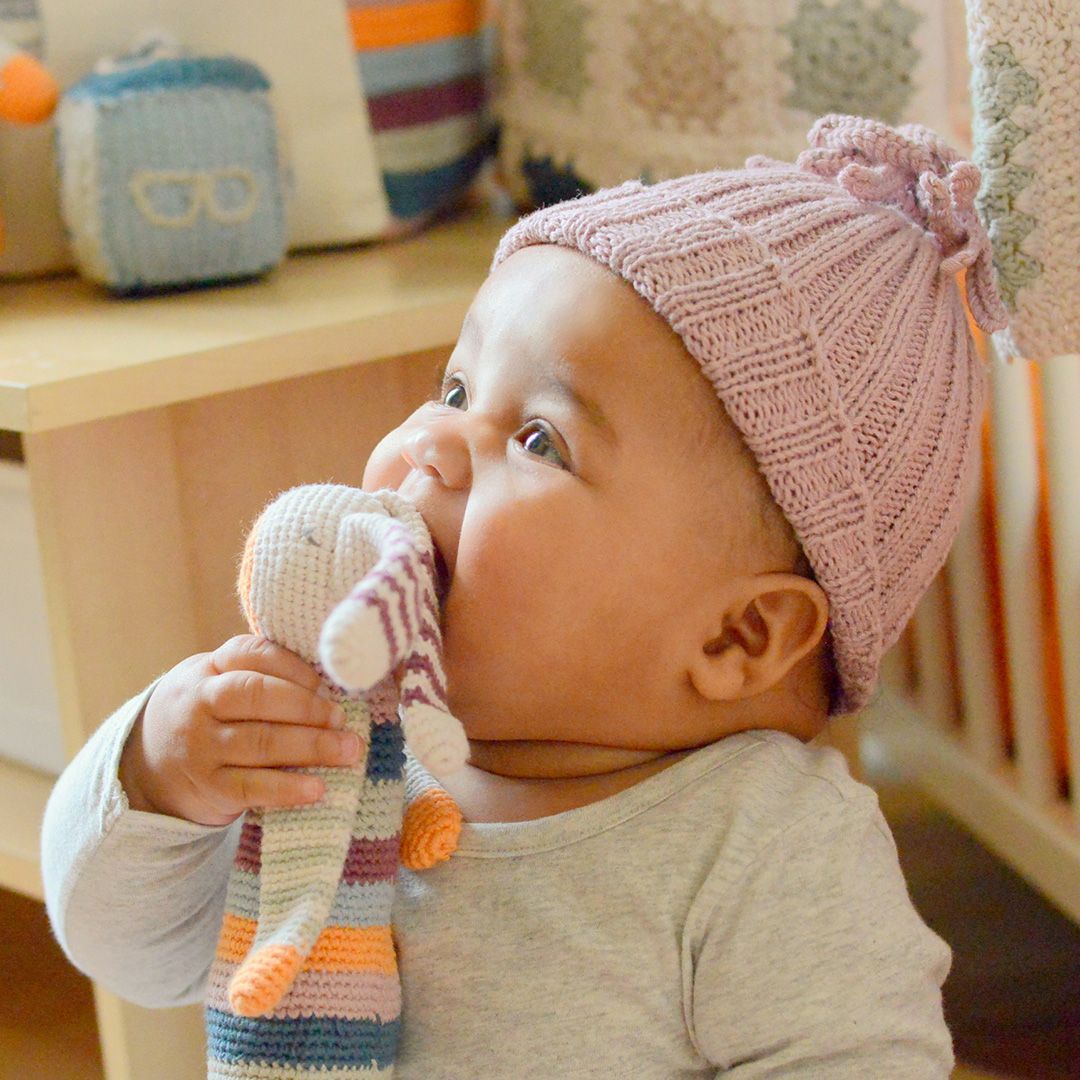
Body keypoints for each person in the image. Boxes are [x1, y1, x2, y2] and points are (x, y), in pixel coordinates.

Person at [41, 114, 1006, 1078]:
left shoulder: (763, 850)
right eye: (454, 389)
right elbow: (133, 952)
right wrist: (159, 771)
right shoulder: (334, 757)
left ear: (739, 635)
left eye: (539, 439)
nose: (432, 441)